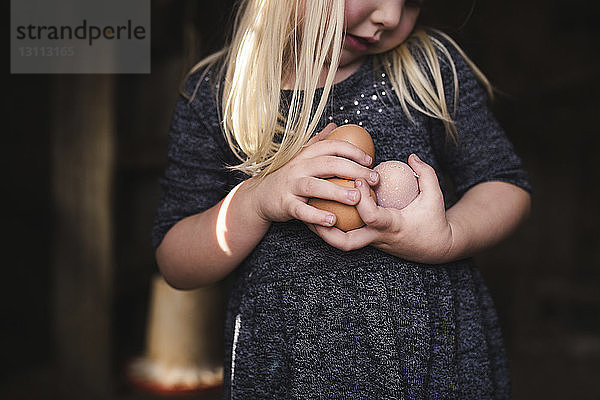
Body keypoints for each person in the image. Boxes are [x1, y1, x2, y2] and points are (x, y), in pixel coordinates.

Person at [152, 0, 532, 398]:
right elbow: (175, 261)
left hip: (431, 364)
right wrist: (256, 200)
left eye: (413, 2)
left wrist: (449, 236)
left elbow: (505, 183)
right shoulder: (217, 94)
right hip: (286, 372)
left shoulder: (427, 67)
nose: (389, 17)